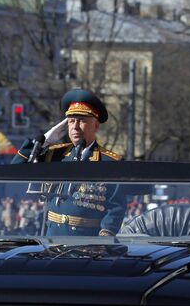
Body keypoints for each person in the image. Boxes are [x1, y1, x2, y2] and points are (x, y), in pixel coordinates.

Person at [14, 89, 124, 237]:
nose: (75, 127)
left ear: (96, 126)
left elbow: (116, 208)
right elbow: (15, 169)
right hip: (52, 240)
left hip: (87, 244)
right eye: (71, 121)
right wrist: (43, 141)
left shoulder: (110, 162)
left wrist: (103, 240)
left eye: (82, 121)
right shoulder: (54, 154)